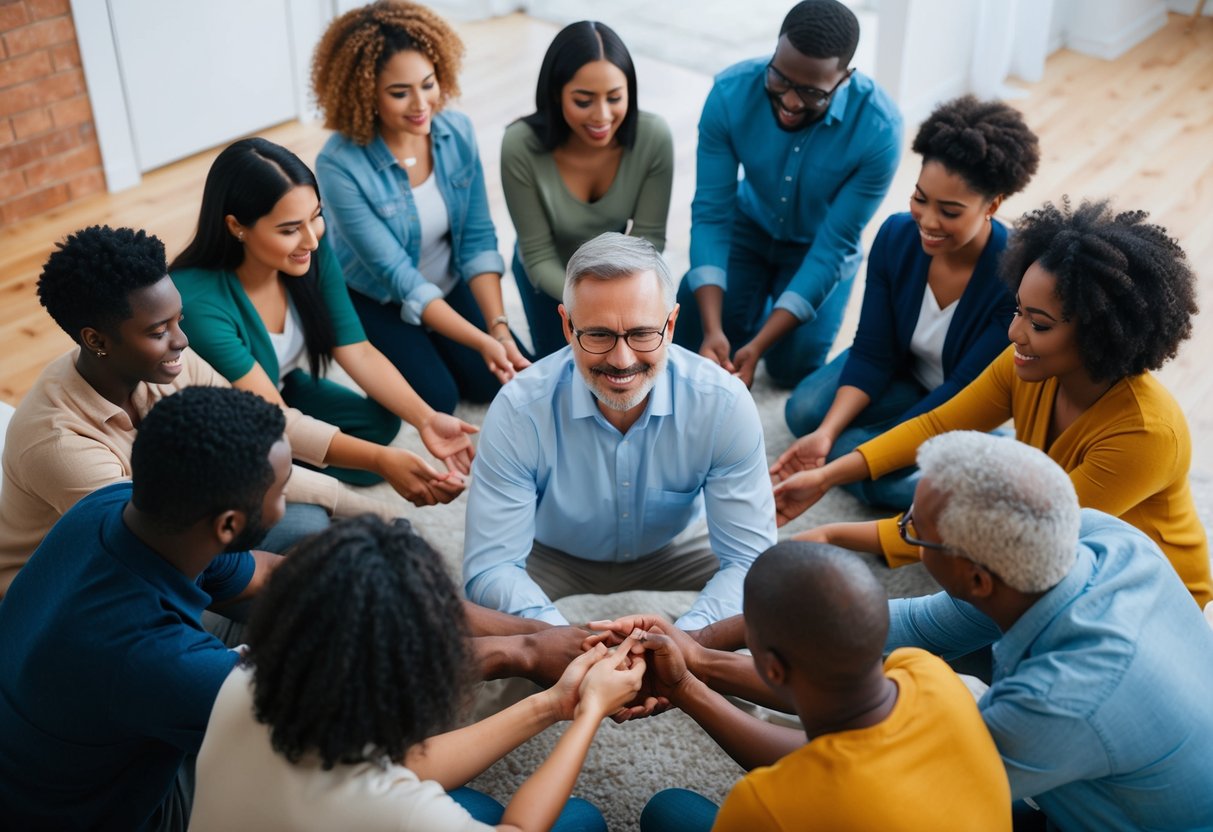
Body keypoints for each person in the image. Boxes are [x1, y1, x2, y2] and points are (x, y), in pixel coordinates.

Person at [772, 199, 1211, 606]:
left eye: (1038, 324)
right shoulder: (1029, 365)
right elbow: (935, 427)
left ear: (1099, 333)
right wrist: (826, 476)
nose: (1014, 334)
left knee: (966, 607)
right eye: (1018, 311)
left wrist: (833, 535)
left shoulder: (1145, 434)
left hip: (1146, 594)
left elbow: (1016, 537)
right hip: (1065, 553)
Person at [190, 515, 645, 832]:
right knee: (579, 819)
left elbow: (401, 766)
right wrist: (589, 713)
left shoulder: (246, 675)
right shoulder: (396, 811)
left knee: (476, 805)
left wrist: (552, 704)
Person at [0, 225, 385, 595]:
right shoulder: (59, 445)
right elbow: (161, 552)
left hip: (159, 541)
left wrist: (379, 478)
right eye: (158, 332)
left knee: (308, 521)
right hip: (76, 591)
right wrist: (296, 576)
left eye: (177, 320)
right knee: (300, 604)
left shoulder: (156, 363)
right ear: (96, 340)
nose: (181, 340)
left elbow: (255, 426)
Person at [883, 432, 1213, 829]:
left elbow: (893, 775)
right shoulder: (1100, 536)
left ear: (978, 580)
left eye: (913, 531)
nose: (907, 529)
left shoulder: (1057, 698)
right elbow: (924, 625)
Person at [0, 386, 290, 830]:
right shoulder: (154, 656)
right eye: (283, 491)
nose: (286, 506)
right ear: (228, 524)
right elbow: (333, 742)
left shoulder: (117, 505)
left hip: (59, 740)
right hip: (98, 816)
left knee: (306, 576)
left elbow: (260, 577)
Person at [462, 233, 776, 634]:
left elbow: (750, 561)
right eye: (599, 335)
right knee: (480, 641)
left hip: (677, 546)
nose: (621, 360)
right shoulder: (518, 410)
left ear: (672, 323)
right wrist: (564, 643)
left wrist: (690, 638)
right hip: (553, 553)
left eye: (643, 333)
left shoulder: (723, 403)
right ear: (566, 325)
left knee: (770, 603)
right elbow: (491, 566)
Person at [632, 541, 1011, 832]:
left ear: (772, 668)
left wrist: (689, 679)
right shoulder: (929, 671)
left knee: (668, 811)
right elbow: (835, 757)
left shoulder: (765, 802)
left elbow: (814, 770)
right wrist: (687, 679)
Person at [171, 138, 476, 491]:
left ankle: (297, 461)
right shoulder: (198, 303)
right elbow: (276, 417)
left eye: (315, 217)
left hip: (280, 389)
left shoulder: (309, 253)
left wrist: (426, 420)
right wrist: (381, 460)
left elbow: (356, 349)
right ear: (237, 226)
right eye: (289, 230)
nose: (311, 241)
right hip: (226, 426)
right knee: (359, 460)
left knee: (380, 425)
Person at [780, 95, 1039, 509]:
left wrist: (854, 460)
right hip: (903, 374)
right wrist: (827, 434)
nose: (929, 221)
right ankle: (938, 466)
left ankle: (988, 458)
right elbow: (873, 351)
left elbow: (959, 391)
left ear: (992, 206)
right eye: (921, 198)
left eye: (950, 212)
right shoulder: (897, 237)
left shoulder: (1015, 278)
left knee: (863, 461)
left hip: (958, 400)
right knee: (805, 414)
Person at [311, 0, 529, 413]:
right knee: (438, 397)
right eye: (399, 93)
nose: (421, 104)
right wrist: (480, 339)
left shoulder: (456, 130)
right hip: (377, 296)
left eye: (428, 84)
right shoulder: (338, 165)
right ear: (364, 92)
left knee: (492, 383)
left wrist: (498, 329)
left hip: (445, 279)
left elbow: (478, 239)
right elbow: (398, 276)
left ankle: (442, 337)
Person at [673, 0, 902, 388]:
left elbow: (833, 247)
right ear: (775, 51)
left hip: (818, 245)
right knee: (690, 331)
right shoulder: (729, 93)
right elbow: (711, 213)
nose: (791, 102)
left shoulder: (880, 130)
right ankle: (752, 301)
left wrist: (759, 345)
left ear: (845, 77)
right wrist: (713, 329)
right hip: (748, 227)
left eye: (812, 93)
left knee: (790, 369)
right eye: (780, 80)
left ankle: (763, 308)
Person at [502, 20, 674, 358]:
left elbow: (650, 238)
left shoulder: (653, 137)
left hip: (619, 276)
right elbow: (537, 255)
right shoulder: (519, 145)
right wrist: (585, 301)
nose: (602, 116)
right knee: (561, 369)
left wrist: (613, 296)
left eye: (615, 98)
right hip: (549, 277)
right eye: (583, 101)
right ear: (556, 94)